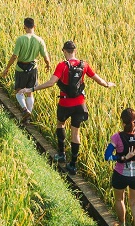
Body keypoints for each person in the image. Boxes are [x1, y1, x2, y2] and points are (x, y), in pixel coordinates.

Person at [20, 40, 114, 174]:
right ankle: (73, 164)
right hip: (80, 104)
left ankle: (61, 154)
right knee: (76, 133)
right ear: (75, 51)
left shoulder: (62, 65)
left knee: (61, 124)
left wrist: (32, 89)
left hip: (65, 103)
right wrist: (107, 84)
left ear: (64, 51)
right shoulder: (84, 65)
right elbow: (98, 79)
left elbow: (51, 83)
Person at [1, 18, 50, 122]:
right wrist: (48, 65)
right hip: (33, 69)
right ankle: (28, 116)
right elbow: (45, 57)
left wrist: (7, 68)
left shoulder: (21, 39)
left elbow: (15, 56)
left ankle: (24, 110)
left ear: (24, 27)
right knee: (29, 92)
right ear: (34, 26)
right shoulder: (40, 40)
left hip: (20, 68)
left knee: (19, 91)